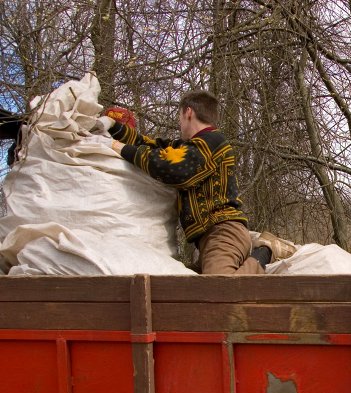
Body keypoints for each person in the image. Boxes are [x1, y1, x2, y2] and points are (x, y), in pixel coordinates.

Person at [91, 90, 271, 274]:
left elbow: (174, 169)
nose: (179, 123)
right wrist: (113, 126)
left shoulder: (212, 142)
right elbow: (148, 146)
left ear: (188, 112)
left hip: (224, 232)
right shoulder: (190, 147)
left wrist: (116, 147)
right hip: (211, 239)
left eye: (180, 116)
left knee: (221, 291)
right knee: (183, 290)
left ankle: (265, 250)